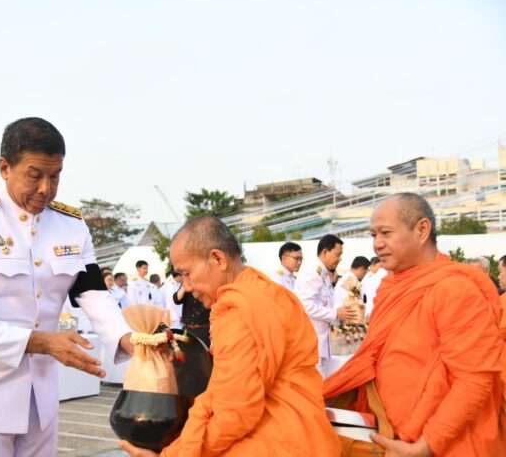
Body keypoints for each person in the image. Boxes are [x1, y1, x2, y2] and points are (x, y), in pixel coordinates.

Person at [0, 116, 132, 456]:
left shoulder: (71, 225)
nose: (45, 189)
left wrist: (127, 338)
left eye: (55, 176)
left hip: (41, 396)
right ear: (4, 167)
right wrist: (42, 342)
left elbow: (91, 290)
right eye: (34, 175)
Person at [120, 216, 340, 456]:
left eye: (187, 273)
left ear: (218, 259)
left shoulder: (238, 311)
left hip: (276, 441)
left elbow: (234, 413)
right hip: (307, 431)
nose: (187, 287)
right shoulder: (269, 291)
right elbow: (231, 379)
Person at [324, 193, 506, 456]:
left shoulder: (454, 289)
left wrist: (426, 445)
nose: (377, 244)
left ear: (422, 230)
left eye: (386, 233)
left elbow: (474, 379)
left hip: (444, 444)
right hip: (393, 435)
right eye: (373, 235)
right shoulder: (391, 287)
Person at [295, 234, 356, 378]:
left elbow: (327, 303)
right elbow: (306, 305)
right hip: (312, 342)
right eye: (337, 254)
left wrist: (340, 314)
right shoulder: (312, 273)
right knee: (317, 382)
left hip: (321, 341)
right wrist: (335, 314)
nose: (340, 259)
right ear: (325, 252)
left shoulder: (323, 274)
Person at [173, 283, 211, 348]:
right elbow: (176, 299)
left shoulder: (208, 283)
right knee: (186, 351)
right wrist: (185, 286)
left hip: (203, 330)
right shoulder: (186, 283)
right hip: (187, 329)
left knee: (204, 352)